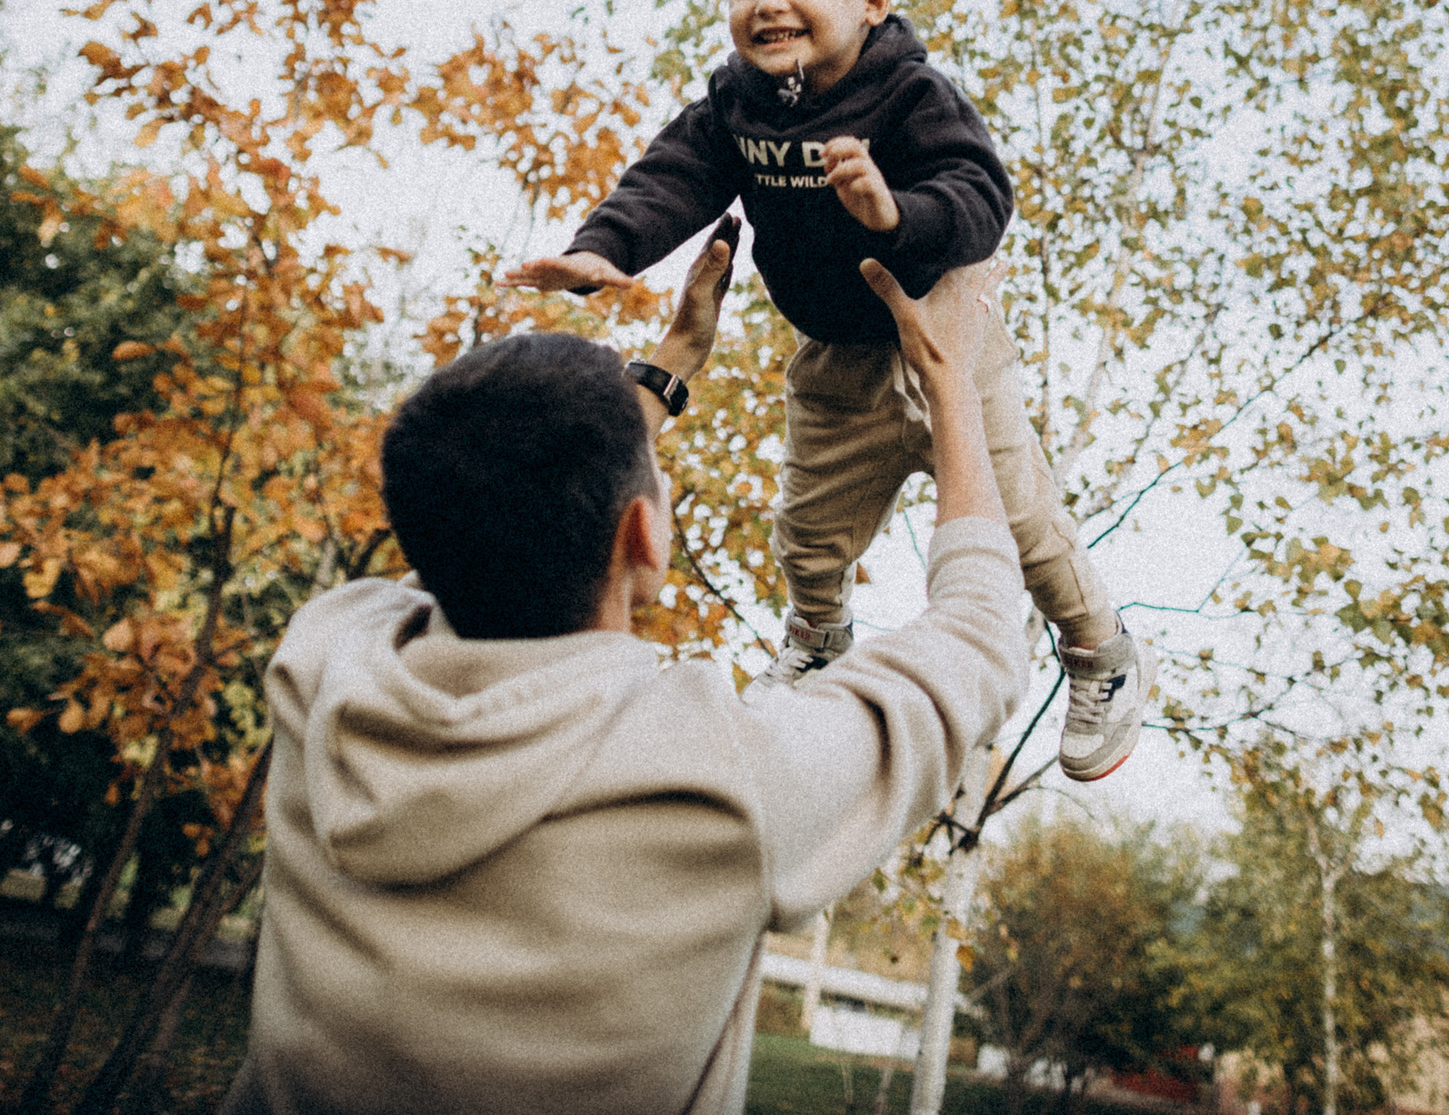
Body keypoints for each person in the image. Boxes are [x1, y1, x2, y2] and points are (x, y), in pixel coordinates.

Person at [223, 226, 1026, 1115]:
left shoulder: (324, 660)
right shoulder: (723, 780)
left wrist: (672, 362)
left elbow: (488, 522)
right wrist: (950, 385)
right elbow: (983, 634)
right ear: (642, 535)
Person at [503, 0, 1154, 782]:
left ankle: (1098, 647)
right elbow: (671, 177)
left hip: (946, 347)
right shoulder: (736, 107)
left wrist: (897, 215)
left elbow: (981, 196)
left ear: (874, 0)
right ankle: (818, 636)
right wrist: (606, 247)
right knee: (807, 529)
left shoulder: (912, 95)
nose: (768, 3)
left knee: (1019, 520)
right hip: (836, 362)